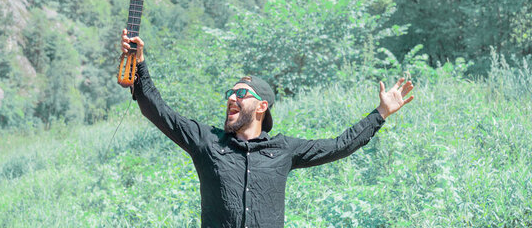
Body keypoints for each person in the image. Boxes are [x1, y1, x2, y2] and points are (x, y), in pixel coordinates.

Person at [121, 30, 414, 228]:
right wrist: (140, 63)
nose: (232, 98)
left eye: (241, 94)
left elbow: (340, 145)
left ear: (262, 107)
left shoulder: (283, 150)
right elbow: (156, 109)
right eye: (230, 94)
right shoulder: (207, 141)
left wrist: (382, 112)